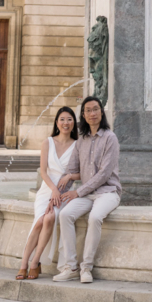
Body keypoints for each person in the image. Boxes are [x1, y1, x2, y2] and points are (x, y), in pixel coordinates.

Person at [53, 96, 121, 285]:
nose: (92, 113)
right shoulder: (81, 141)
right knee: (65, 214)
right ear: (83, 114)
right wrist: (59, 191)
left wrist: (77, 192)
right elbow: (72, 170)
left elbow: (104, 175)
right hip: (87, 194)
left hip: (108, 192)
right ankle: (72, 267)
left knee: (94, 217)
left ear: (101, 112)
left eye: (95, 109)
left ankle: (86, 268)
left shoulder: (110, 138)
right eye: (88, 110)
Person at [16, 107, 80, 281]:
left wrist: (70, 176)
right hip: (47, 191)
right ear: (57, 122)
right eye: (62, 119)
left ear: (74, 122)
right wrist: (53, 190)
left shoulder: (78, 145)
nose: (65, 123)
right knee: (39, 222)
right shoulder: (47, 142)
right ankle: (23, 264)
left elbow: (84, 173)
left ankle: (35, 262)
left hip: (64, 194)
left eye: (69, 119)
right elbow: (43, 172)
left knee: (50, 218)